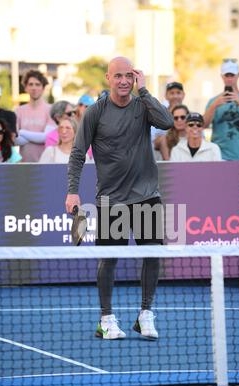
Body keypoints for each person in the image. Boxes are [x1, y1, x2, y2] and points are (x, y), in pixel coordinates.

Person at [65, 56, 173, 340]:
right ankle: (106, 319)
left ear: (135, 77)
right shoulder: (95, 112)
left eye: (129, 76)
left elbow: (168, 122)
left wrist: (146, 91)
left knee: (152, 255)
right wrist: (73, 190)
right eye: (118, 76)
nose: (124, 81)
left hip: (147, 196)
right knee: (109, 259)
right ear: (108, 78)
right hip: (112, 200)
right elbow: (77, 154)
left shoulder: (143, 105)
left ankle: (146, 314)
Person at [204, 59, 239, 160]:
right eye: (227, 75)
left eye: (232, 75)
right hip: (219, 155)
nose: (229, 79)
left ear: (238, 75)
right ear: (222, 76)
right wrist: (214, 106)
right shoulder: (213, 101)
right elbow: (203, 125)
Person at [15, 69, 55, 162]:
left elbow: (46, 138)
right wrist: (38, 137)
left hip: (46, 164)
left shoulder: (51, 110)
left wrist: (21, 132)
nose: (34, 88)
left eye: (37, 84)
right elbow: (15, 140)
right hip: (24, 165)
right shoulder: (18, 111)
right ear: (25, 87)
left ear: (43, 88)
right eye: (31, 84)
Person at [152, 81, 185, 159]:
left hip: (185, 150)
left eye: (178, 93)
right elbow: (154, 141)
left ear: (183, 95)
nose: (175, 96)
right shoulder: (160, 116)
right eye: (172, 93)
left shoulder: (190, 114)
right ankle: (170, 165)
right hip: (166, 152)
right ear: (166, 96)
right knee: (163, 139)